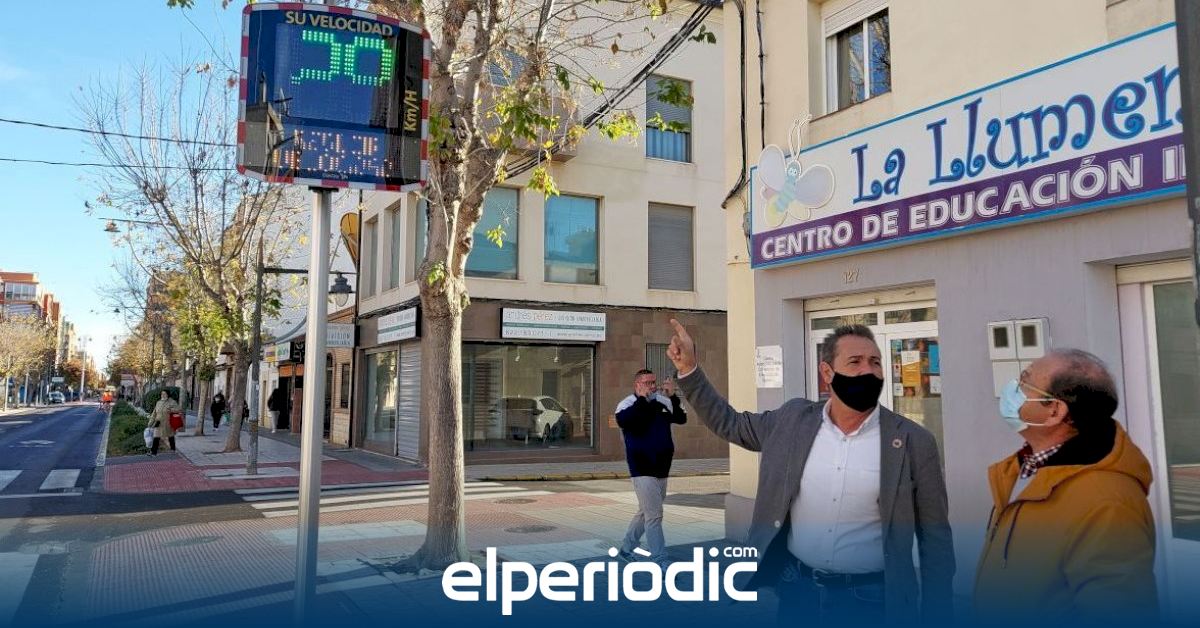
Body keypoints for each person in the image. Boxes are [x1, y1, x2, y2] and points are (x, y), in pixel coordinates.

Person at [666, 320, 954, 625]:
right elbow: (731, 423)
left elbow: (935, 539)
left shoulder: (913, 441)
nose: (868, 371)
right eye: (855, 362)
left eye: (875, 362)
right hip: (798, 591)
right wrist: (690, 370)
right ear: (827, 373)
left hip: (871, 599)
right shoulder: (793, 421)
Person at [974, 349, 1157, 622]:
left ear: (1055, 411)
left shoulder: (1108, 503)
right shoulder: (1025, 470)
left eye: (1024, 381)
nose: (1012, 389)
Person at [614, 369, 687, 566]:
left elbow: (681, 418)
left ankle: (626, 549)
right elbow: (626, 421)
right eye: (647, 383)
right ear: (637, 385)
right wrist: (642, 400)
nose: (652, 386)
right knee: (654, 515)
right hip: (641, 468)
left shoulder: (663, 402)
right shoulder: (626, 404)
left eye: (654, 382)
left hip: (662, 467)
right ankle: (660, 561)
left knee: (646, 511)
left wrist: (673, 397)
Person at [149, 391, 181, 456]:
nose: (163, 395)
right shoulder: (158, 402)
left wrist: (171, 410)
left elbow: (178, 409)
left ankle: (173, 449)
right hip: (158, 422)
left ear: (167, 394)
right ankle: (153, 452)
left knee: (170, 436)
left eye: (164, 394)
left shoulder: (172, 402)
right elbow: (154, 413)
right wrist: (150, 422)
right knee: (156, 436)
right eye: (162, 394)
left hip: (168, 422)